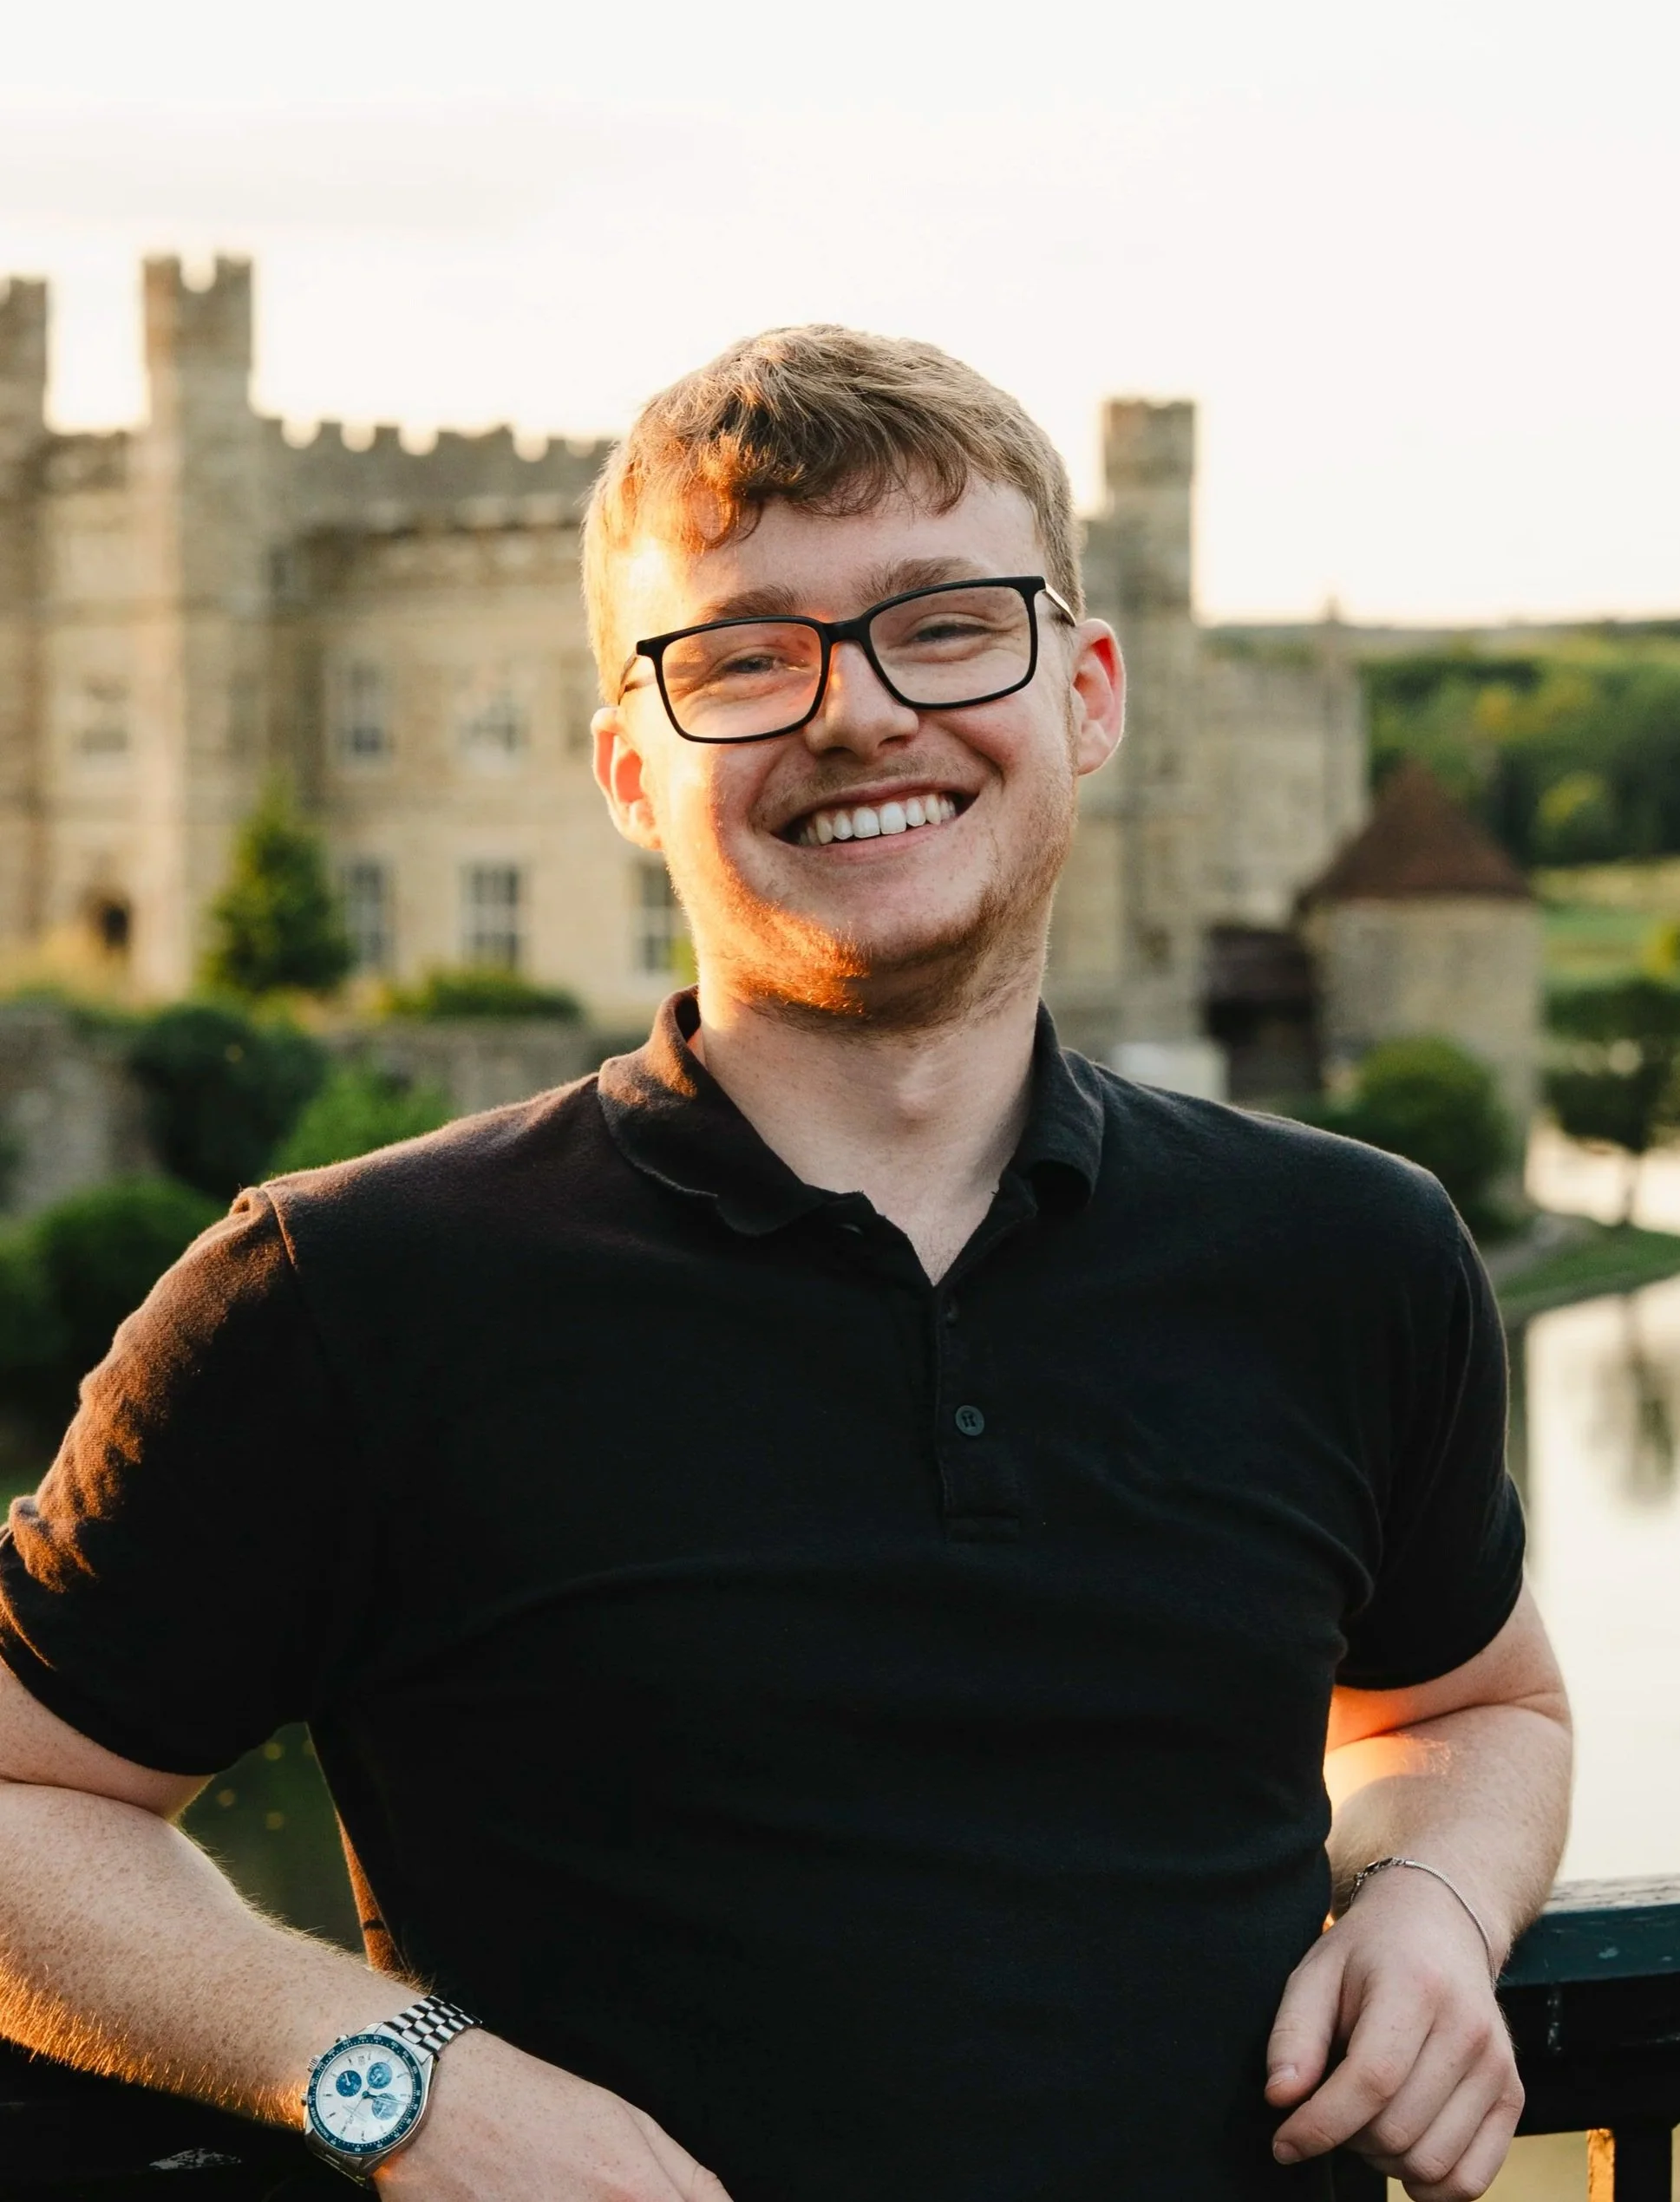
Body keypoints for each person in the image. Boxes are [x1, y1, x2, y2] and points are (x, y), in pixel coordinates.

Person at [0, 327, 1569, 2202]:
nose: (854, 714)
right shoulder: (345, 1294)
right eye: (745, 655)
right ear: (623, 766)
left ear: (1087, 691)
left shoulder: (1345, 1249)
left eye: (944, 624)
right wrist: (394, 2075)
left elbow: (1470, 1707)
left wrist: (1426, 1895)